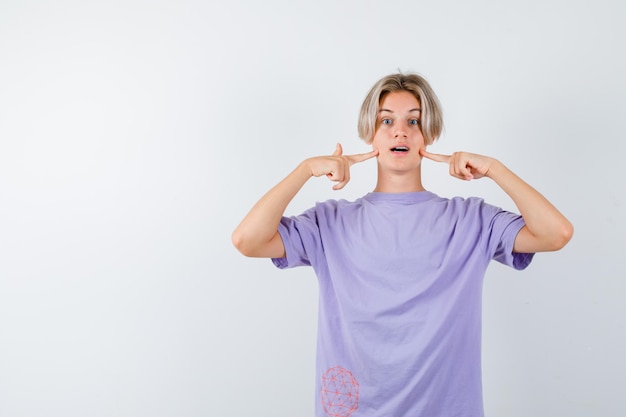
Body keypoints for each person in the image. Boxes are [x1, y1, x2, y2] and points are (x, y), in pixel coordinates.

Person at [231, 72, 573, 417]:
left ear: (431, 134)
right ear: (370, 135)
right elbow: (248, 240)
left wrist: (495, 169)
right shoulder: (329, 223)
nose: (400, 131)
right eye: (386, 121)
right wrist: (305, 170)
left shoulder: (471, 220)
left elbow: (555, 233)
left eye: (414, 120)